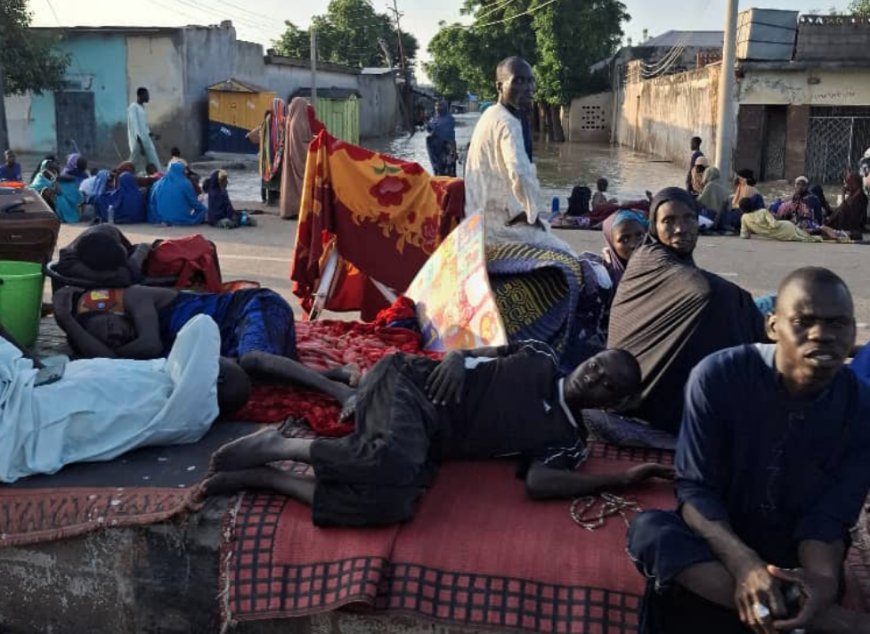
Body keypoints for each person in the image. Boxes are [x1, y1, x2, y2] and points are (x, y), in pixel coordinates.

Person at [627, 267, 870, 634]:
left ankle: (786, 604)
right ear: (772, 326)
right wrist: (745, 566)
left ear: (853, 333)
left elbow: (829, 517)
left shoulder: (861, 406)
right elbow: (696, 492)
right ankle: (828, 621)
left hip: (794, 549)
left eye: (838, 323)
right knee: (651, 532)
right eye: (804, 322)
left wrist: (819, 582)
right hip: (719, 541)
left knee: (820, 572)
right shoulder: (718, 376)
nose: (822, 335)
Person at [202, 344, 674, 526]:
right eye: (596, 366)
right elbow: (484, 349)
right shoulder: (543, 359)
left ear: (610, 404)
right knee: (387, 462)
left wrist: (621, 478)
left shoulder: (568, 442)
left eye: (607, 385)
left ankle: (268, 478)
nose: (593, 378)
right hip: (408, 383)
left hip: (426, 441)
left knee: (392, 505)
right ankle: (280, 446)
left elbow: (538, 483)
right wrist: (457, 356)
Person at [0, 314, 250, 483]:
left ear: (215, 380)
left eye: (218, 363)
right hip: (28, 385)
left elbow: (202, 326)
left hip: (23, 413)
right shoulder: (165, 378)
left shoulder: (186, 411)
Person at [607, 187, 766, 434]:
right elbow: (701, 289)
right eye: (668, 221)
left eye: (688, 218)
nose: (680, 228)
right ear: (654, 227)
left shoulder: (677, 263)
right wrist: (744, 304)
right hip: (639, 398)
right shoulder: (648, 258)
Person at [52, 283, 358, 408]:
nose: (117, 336)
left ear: (112, 312)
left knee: (253, 359)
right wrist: (70, 325)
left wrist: (70, 320)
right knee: (243, 374)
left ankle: (340, 393)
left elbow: (148, 345)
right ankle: (338, 374)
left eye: (110, 326)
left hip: (252, 306)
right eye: (110, 341)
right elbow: (110, 363)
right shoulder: (126, 346)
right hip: (236, 339)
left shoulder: (135, 297)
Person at [465, 56, 573, 253]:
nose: (528, 87)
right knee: (571, 256)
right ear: (499, 86)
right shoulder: (508, 122)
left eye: (530, 81)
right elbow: (520, 174)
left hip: (478, 222)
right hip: (499, 230)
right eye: (519, 81)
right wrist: (532, 215)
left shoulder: (490, 114)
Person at [279, 97, 322, 220]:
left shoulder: (291, 121)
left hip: (291, 159)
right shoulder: (300, 123)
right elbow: (303, 144)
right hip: (300, 160)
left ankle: (289, 210)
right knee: (301, 185)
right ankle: (300, 210)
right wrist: (315, 142)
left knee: (290, 185)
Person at [740, 197, 822, 243]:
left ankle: (822, 235)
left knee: (804, 237)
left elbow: (744, 235)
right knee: (806, 236)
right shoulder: (763, 211)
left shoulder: (744, 218)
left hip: (779, 236)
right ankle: (824, 235)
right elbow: (774, 224)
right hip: (785, 227)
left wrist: (755, 229)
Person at [147, 161, 206, 225]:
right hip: (180, 218)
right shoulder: (185, 183)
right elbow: (193, 202)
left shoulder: (157, 184)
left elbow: (152, 203)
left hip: (161, 218)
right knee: (203, 210)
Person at [601, 210, 648, 288]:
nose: (634, 244)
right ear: (611, 244)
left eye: (640, 236)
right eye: (624, 240)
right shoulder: (604, 278)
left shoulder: (658, 269)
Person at [825, 172, 867, 241]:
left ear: (855, 183)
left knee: (840, 211)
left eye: (849, 183)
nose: (847, 185)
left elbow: (847, 211)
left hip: (852, 227)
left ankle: (828, 226)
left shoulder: (860, 197)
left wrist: (843, 195)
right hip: (847, 225)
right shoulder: (853, 195)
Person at [128, 87, 161, 173]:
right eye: (146, 95)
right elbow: (135, 127)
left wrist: (152, 135)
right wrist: (140, 144)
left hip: (146, 141)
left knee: (153, 162)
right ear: (140, 95)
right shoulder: (133, 107)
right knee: (135, 164)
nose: (148, 97)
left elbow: (144, 127)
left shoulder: (141, 107)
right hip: (138, 143)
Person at [426, 100, 458, 177]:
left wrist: (454, 151)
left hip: (446, 150)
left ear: (445, 107)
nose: (438, 107)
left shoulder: (449, 119)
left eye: (440, 105)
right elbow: (429, 130)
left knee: (448, 172)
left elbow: (451, 136)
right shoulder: (433, 119)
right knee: (437, 171)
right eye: (436, 105)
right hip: (435, 151)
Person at [696, 166, 732, 232]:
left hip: (712, 217)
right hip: (724, 218)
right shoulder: (722, 183)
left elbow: (699, 202)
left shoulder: (710, 185)